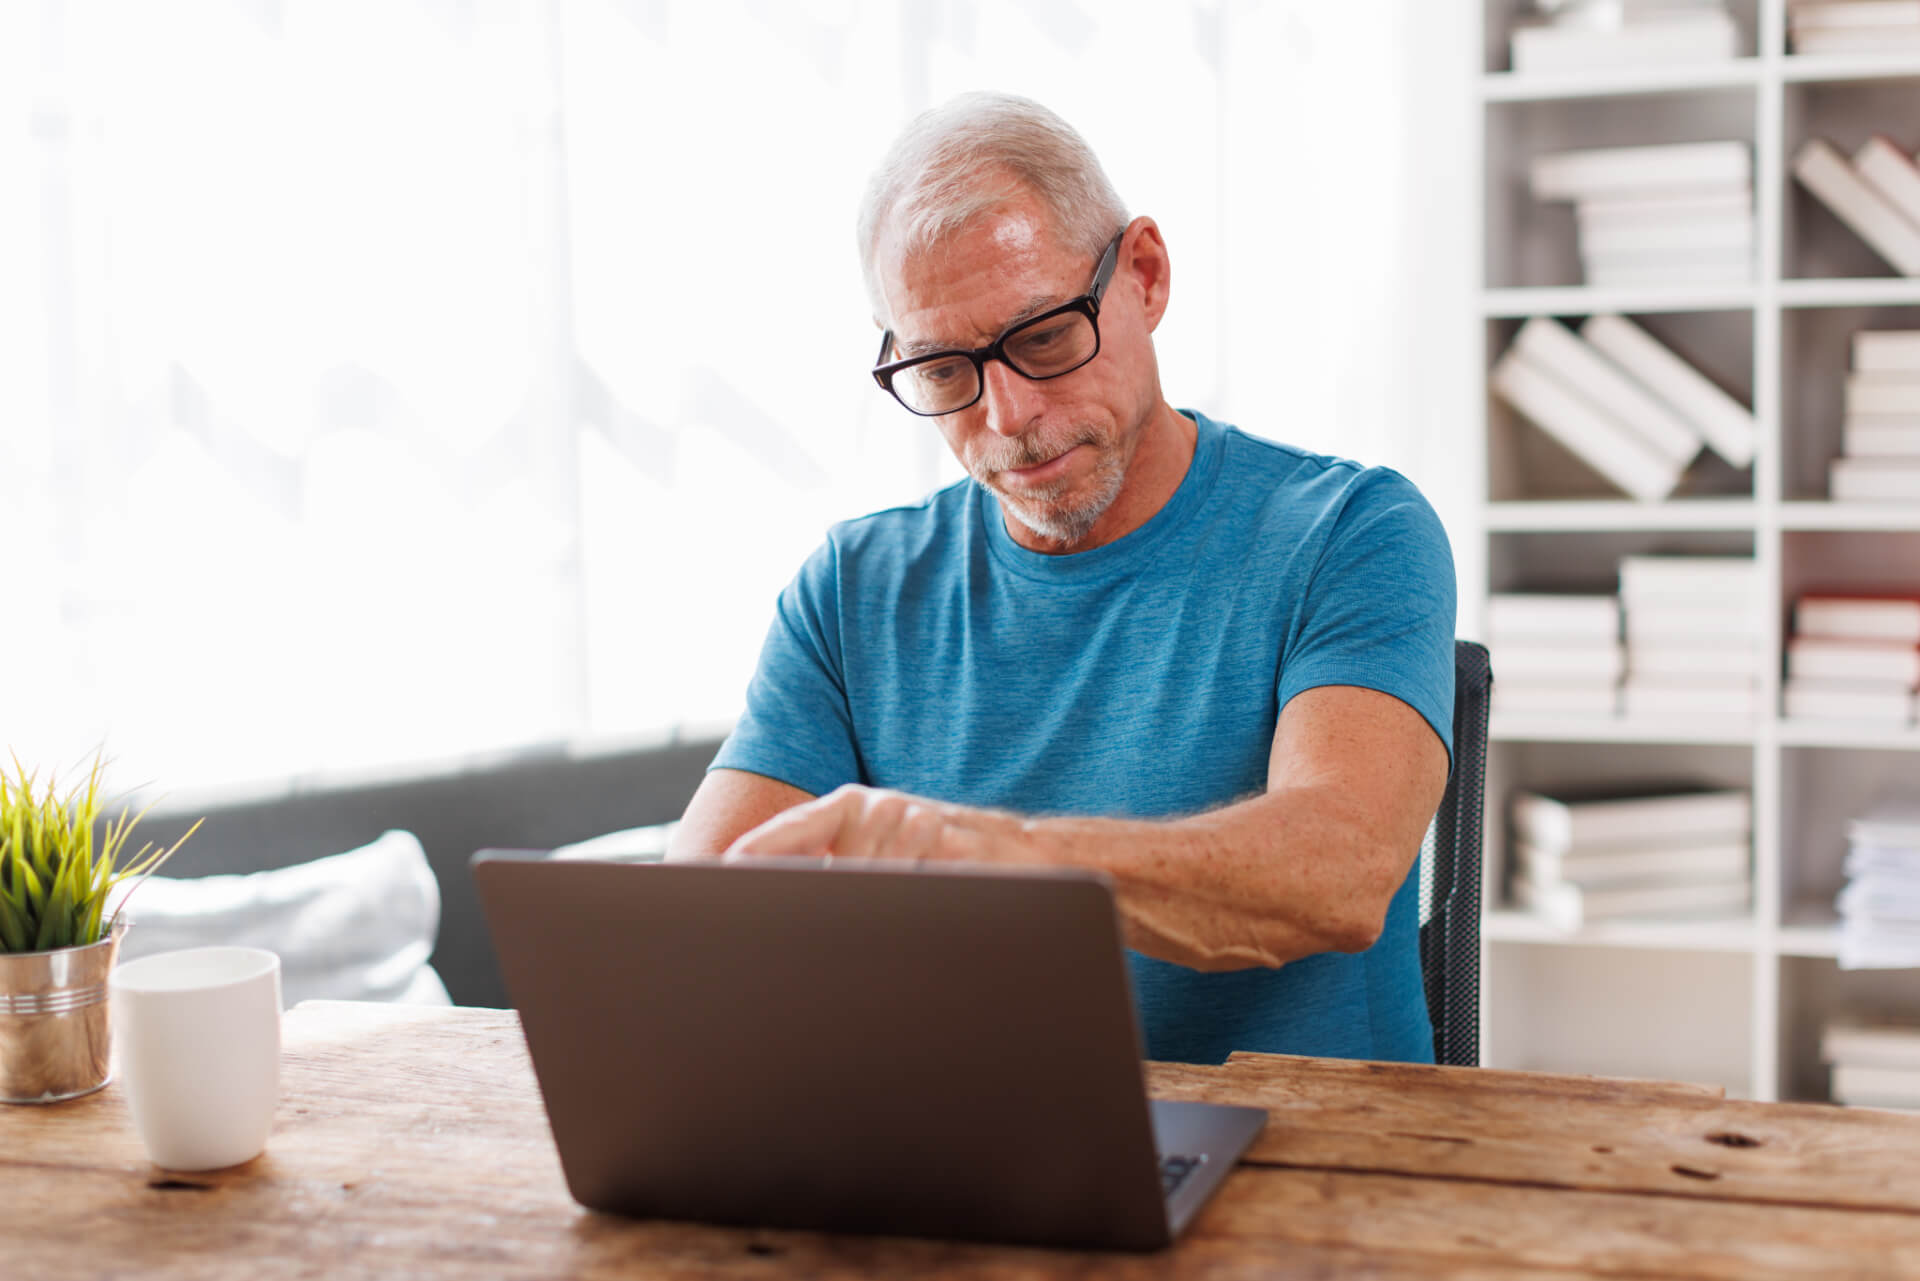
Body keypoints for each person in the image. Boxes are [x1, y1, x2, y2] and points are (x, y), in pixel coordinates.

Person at [671, 91, 1456, 1065]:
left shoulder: (1351, 531)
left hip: (1316, 1165)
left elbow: (1340, 869)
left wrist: (986, 855)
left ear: (1146, 276)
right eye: (945, 372)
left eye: (1043, 338)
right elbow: (695, 921)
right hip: (976, 1149)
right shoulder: (850, 587)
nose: (1006, 415)